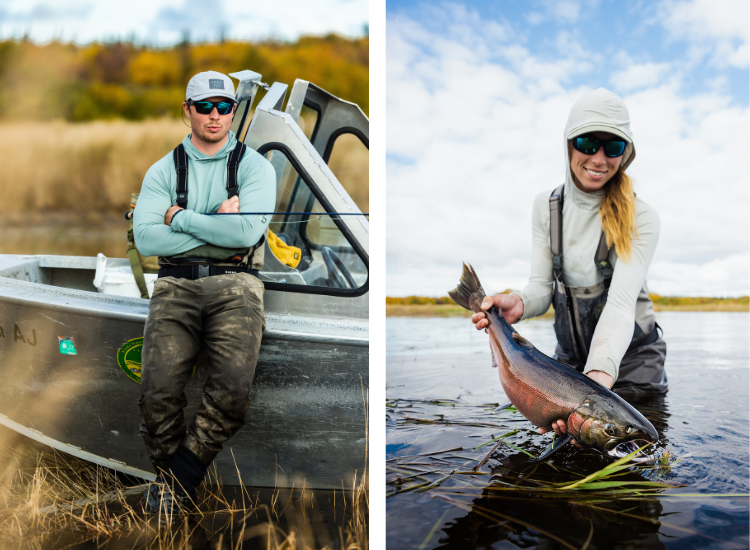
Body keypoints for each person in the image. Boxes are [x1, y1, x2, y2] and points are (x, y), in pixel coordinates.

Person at [471, 87, 667, 444]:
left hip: (636, 362)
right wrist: (518, 301)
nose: (600, 158)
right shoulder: (546, 208)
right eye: (588, 143)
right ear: (568, 144)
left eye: (614, 147)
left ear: (627, 153)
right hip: (570, 368)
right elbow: (541, 288)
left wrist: (590, 394)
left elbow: (621, 308)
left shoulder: (643, 217)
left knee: (642, 451)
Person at [133, 70, 276, 512]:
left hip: (237, 286)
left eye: (225, 107)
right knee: (156, 398)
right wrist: (218, 222)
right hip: (173, 283)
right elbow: (147, 242)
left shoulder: (255, 167)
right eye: (205, 107)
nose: (215, 117)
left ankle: (174, 489)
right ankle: (176, 490)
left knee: (232, 394)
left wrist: (180, 217)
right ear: (187, 111)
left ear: (233, 111)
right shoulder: (162, 170)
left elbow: (248, 234)